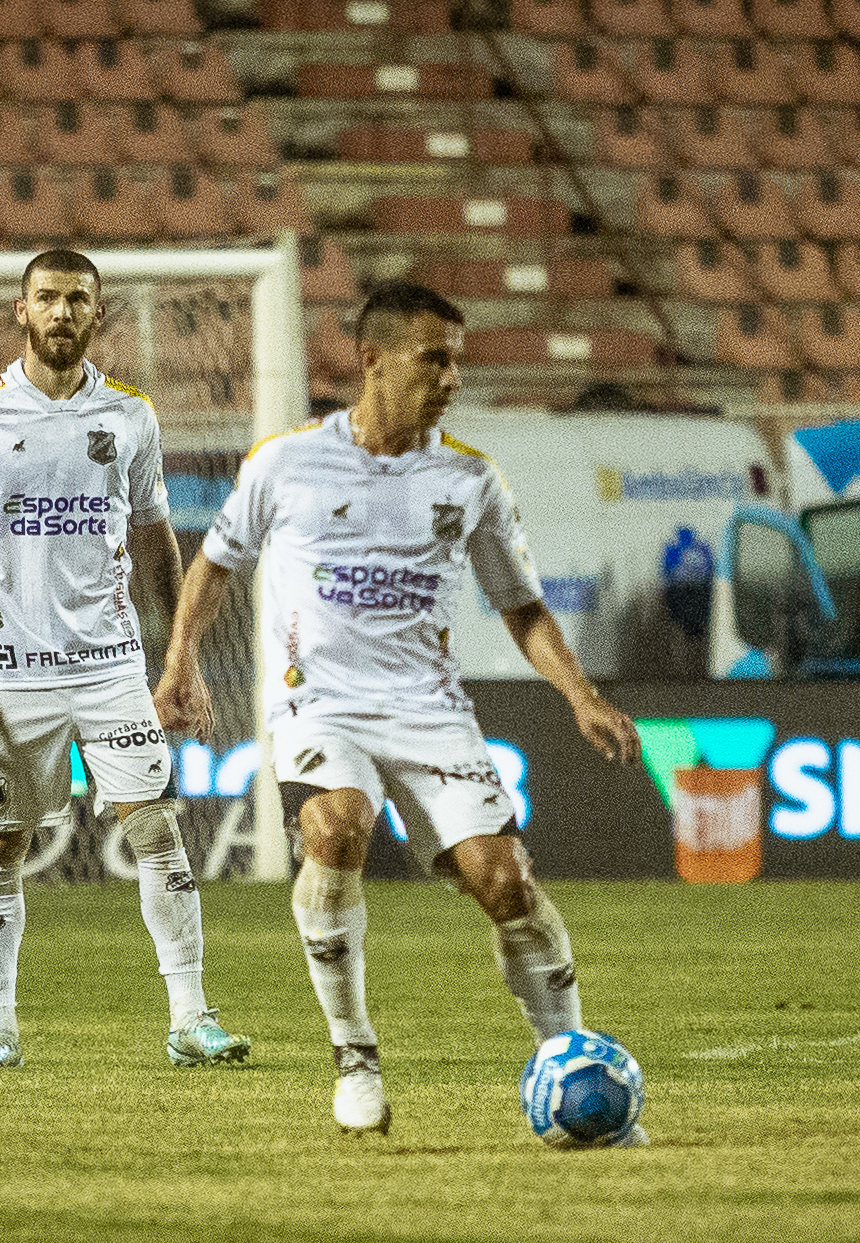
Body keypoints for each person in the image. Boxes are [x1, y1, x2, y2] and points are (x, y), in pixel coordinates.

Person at [153, 282, 643, 1137]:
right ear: (372, 359)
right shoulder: (284, 462)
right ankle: (355, 1056)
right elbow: (216, 562)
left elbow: (522, 606)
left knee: (504, 879)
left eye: (458, 362)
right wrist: (181, 658)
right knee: (334, 828)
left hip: (427, 706)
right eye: (434, 359)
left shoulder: (470, 478)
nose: (452, 378)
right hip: (318, 700)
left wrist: (581, 695)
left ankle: (568, 1059)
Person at [0, 249, 251, 1071]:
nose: (62, 312)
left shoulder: (130, 417)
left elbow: (154, 537)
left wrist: (180, 654)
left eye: (78, 300)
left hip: (111, 666)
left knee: (157, 829)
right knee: (0, 847)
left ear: (98, 313)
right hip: (11, 671)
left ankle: (191, 1019)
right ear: (21, 310)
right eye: (48, 298)